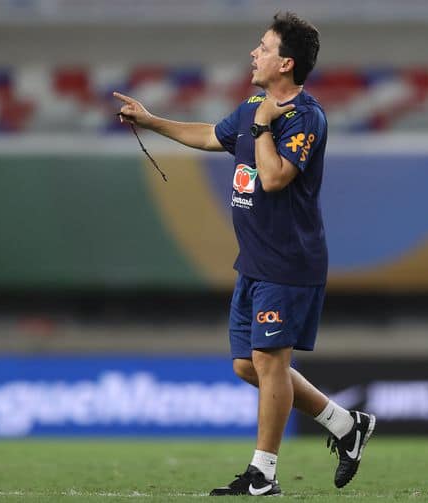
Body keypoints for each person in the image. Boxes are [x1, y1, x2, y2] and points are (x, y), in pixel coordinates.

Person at [114, 11, 375, 496]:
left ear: (286, 63)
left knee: (269, 361)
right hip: (255, 260)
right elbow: (211, 135)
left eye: (263, 46)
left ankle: (263, 474)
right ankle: (345, 424)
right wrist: (150, 120)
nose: (254, 53)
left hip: (290, 261)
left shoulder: (306, 117)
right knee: (245, 365)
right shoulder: (255, 104)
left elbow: (275, 178)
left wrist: (259, 128)